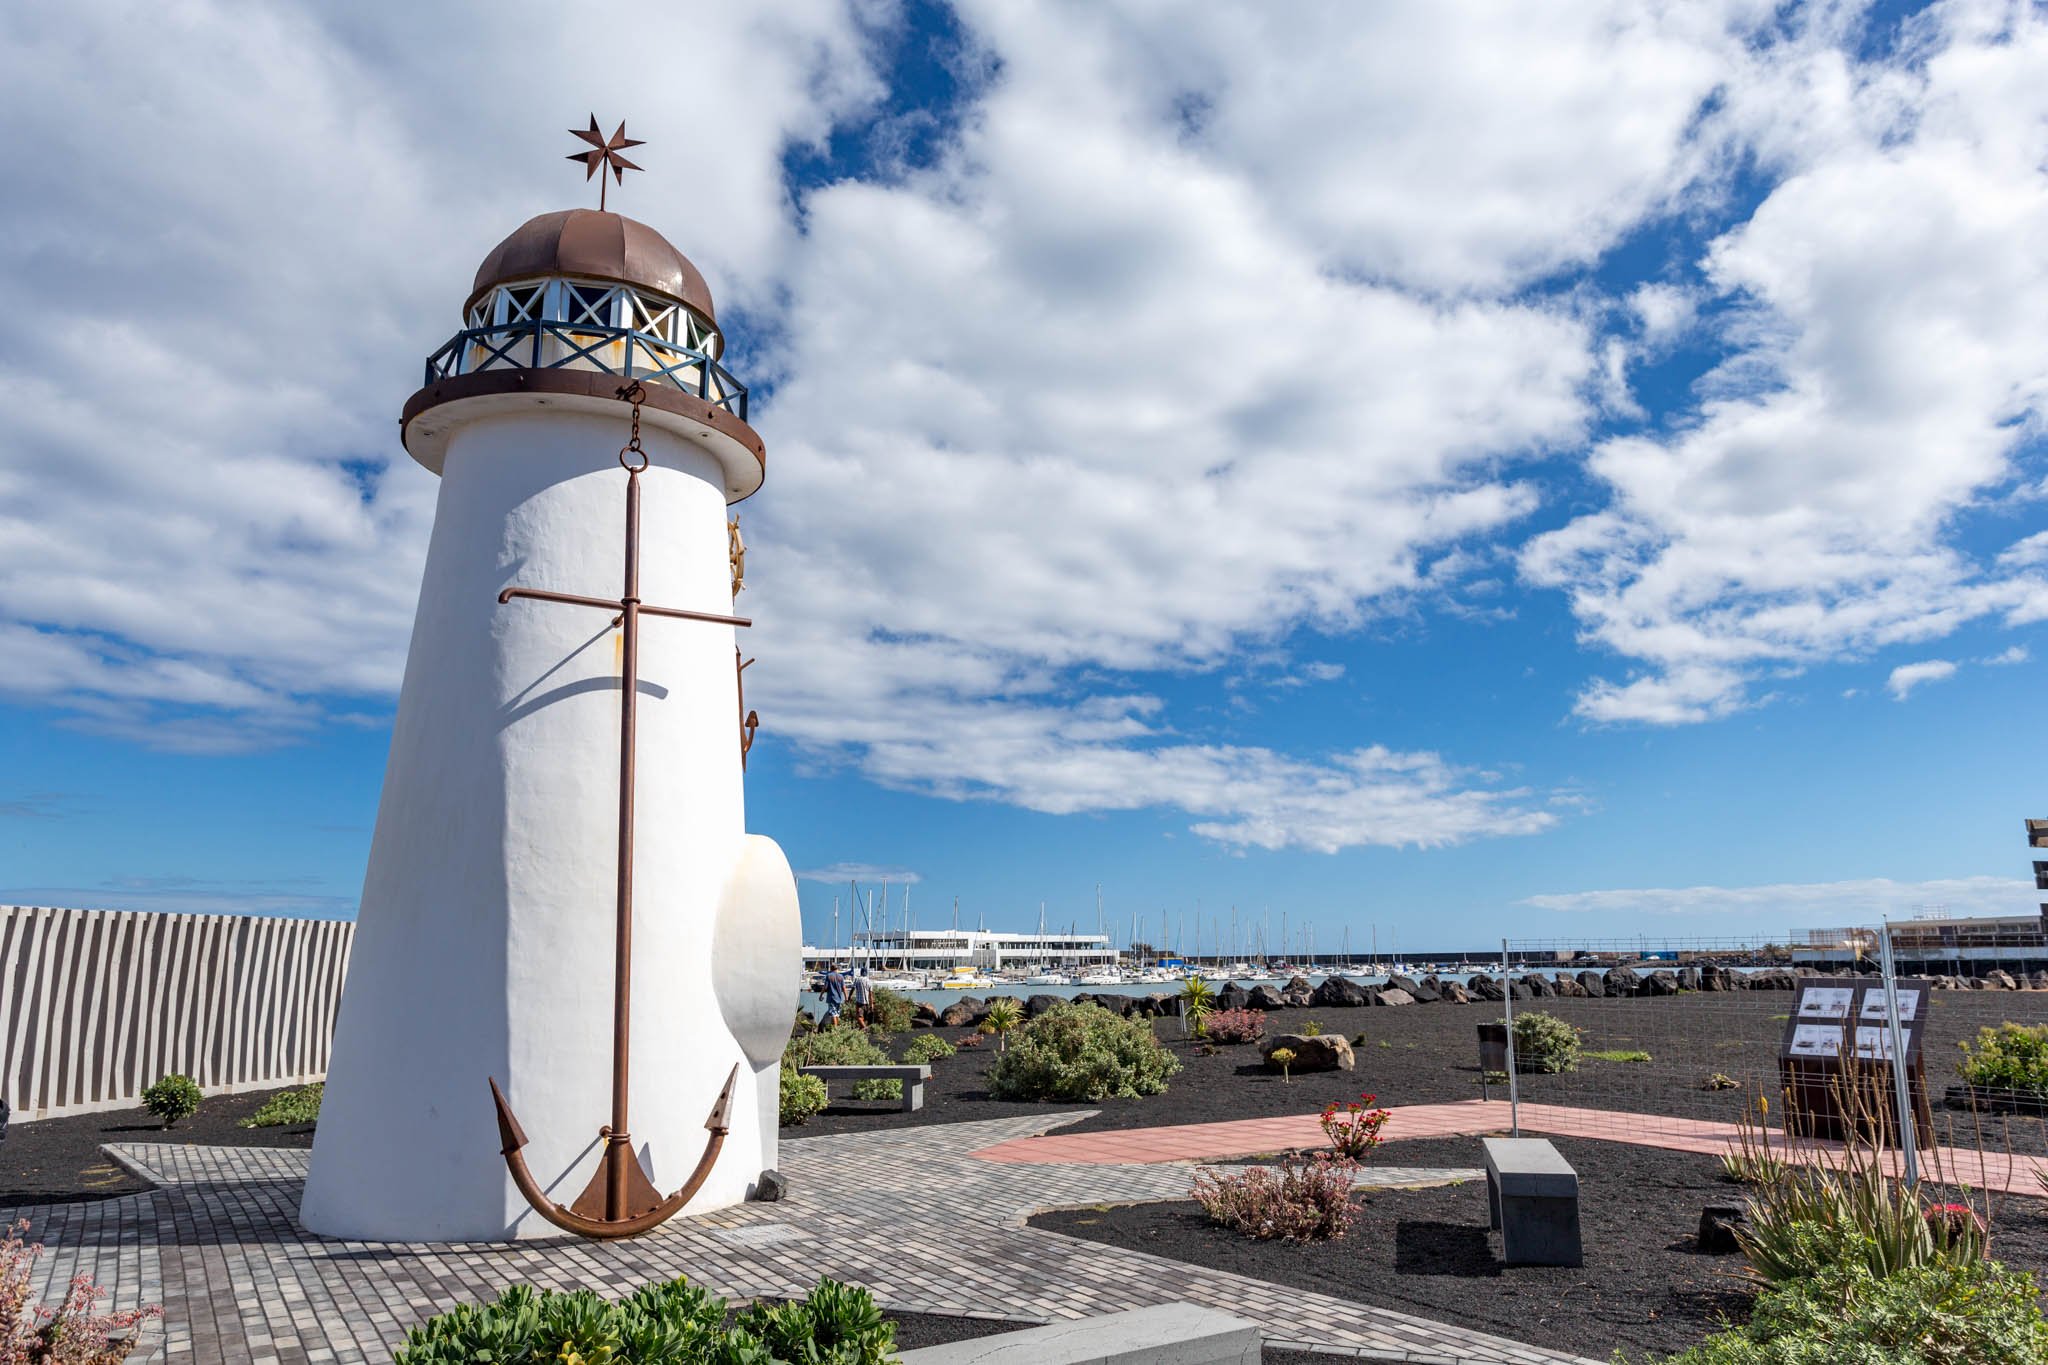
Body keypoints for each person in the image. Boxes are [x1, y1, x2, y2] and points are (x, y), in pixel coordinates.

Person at [817, 962, 848, 1028]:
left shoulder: (829, 976)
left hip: (832, 998)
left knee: (833, 1014)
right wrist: (846, 998)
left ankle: (836, 1029)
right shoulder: (841, 976)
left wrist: (820, 996)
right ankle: (837, 1028)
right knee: (837, 1014)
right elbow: (844, 988)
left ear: (831, 968)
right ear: (837, 968)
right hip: (839, 998)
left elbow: (825, 987)